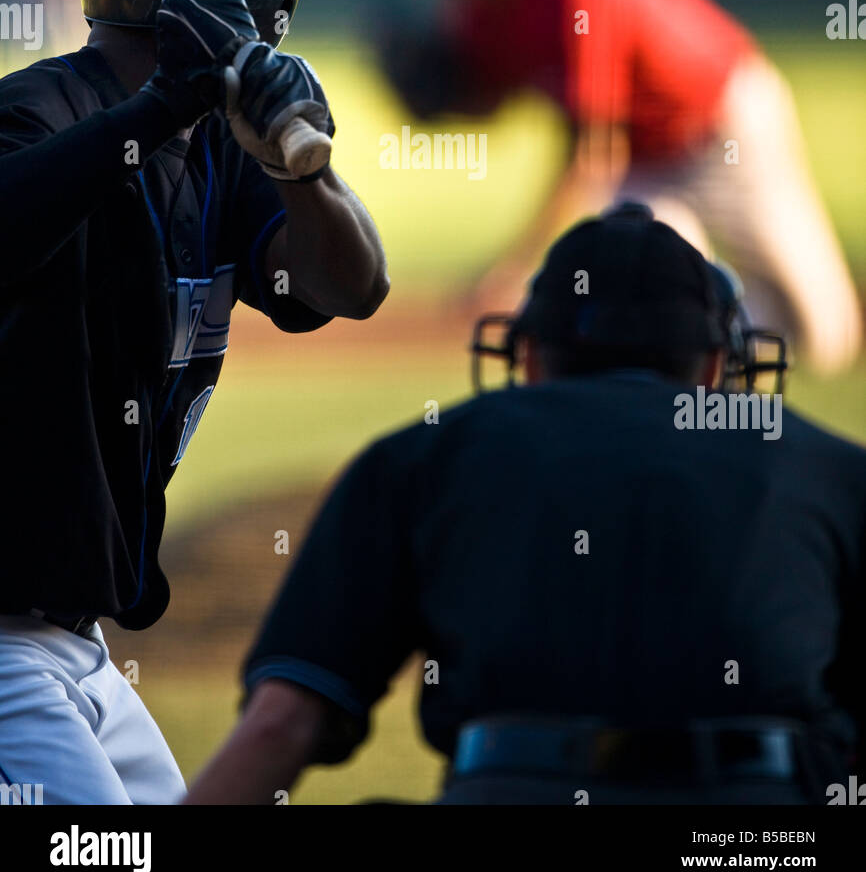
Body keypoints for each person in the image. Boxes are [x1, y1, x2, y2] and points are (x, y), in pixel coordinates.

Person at [183, 202, 866, 806]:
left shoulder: (423, 458)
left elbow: (283, 724)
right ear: (716, 367)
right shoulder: (834, 468)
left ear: (531, 356)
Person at [0, 0, 389, 805]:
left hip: (72, 645)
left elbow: (351, 286)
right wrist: (158, 109)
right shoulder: (36, 116)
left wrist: (300, 168)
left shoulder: (223, 147)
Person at [376, 0, 861, 373]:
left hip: (724, 130)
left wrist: (512, 268)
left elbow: (591, 154)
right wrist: (437, 101)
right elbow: (488, 104)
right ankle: (704, 370)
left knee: (823, 335)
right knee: (650, 300)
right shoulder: (474, 7)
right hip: (641, 158)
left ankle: (725, 333)